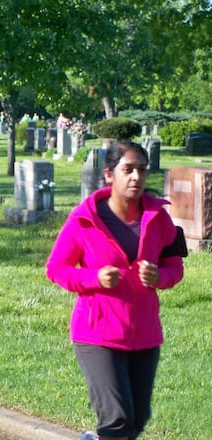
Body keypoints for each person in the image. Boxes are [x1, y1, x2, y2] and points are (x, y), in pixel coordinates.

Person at [46, 141, 186, 440]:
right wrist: (93, 278)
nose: (136, 177)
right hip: (97, 333)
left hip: (145, 333)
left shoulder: (160, 218)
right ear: (110, 175)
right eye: (128, 170)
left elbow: (176, 268)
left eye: (142, 170)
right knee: (117, 421)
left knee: (137, 419)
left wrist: (160, 275)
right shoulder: (85, 219)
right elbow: (56, 270)